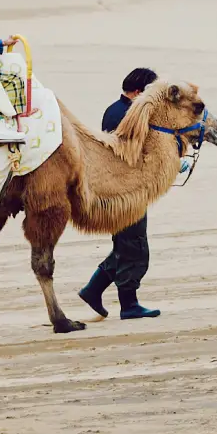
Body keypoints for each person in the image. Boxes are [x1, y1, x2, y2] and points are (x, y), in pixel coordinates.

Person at [79, 67, 162, 320]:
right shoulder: (128, 115)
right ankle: (129, 305)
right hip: (125, 191)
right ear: (140, 92)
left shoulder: (114, 109)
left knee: (125, 245)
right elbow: (129, 155)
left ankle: (93, 290)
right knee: (135, 247)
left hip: (117, 190)